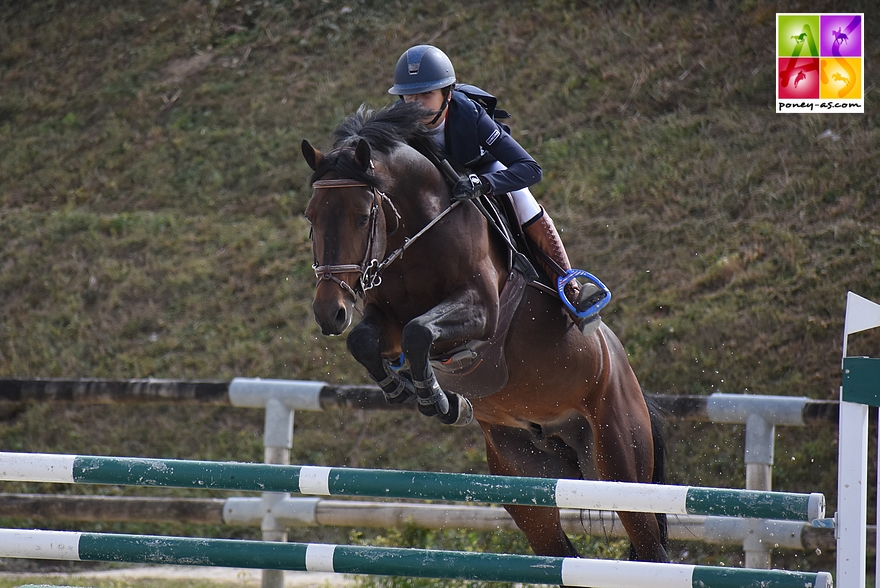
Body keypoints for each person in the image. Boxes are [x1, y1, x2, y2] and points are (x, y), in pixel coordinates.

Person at [388, 44, 608, 333]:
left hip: (481, 171)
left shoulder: (471, 116)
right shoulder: (394, 123)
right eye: (408, 97)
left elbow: (530, 168)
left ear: (448, 93)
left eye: (426, 95)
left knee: (522, 199)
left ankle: (571, 290)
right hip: (432, 185)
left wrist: (484, 183)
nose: (415, 105)